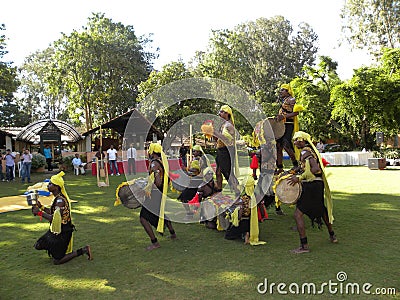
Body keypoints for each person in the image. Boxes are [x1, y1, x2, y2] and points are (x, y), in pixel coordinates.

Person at [287, 131, 337, 254]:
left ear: (302, 141)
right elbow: (305, 167)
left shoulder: (305, 152)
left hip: (311, 185)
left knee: (298, 214)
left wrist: (299, 177)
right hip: (317, 185)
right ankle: (332, 236)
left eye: (296, 140)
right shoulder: (308, 151)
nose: (294, 143)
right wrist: (292, 172)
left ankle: (304, 246)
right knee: (321, 209)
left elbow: (315, 169)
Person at [31, 171, 93, 264]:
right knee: (38, 245)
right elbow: (53, 213)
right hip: (56, 230)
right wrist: (42, 207)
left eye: (51, 184)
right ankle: (55, 249)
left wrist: (39, 213)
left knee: (57, 261)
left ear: (56, 187)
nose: (48, 185)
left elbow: (53, 218)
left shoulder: (60, 201)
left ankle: (83, 250)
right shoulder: (57, 198)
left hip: (63, 232)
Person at [140, 143, 176, 251]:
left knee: (143, 218)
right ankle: (173, 234)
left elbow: (158, 182)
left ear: (152, 152)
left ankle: (154, 242)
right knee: (161, 213)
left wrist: (148, 186)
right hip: (159, 194)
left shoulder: (154, 164)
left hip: (154, 195)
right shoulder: (162, 162)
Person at [212, 105, 240, 197]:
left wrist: (214, 132)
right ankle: (219, 191)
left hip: (227, 150)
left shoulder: (229, 125)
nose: (219, 113)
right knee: (218, 172)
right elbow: (217, 139)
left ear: (227, 113)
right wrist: (211, 133)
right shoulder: (223, 125)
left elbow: (226, 139)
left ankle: (237, 191)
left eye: (221, 111)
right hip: (220, 150)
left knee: (227, 172)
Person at [275, 83, 303, 173]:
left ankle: (296, 165)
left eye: (283, 90)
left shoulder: (291, 99)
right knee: (278, 146)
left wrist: (283, 117)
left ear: (288, 91)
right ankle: (280, 168)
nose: (281, 91)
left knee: (286, 145)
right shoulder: (284, 100)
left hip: (288, 124)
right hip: (281, 125)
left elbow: (296, 113)